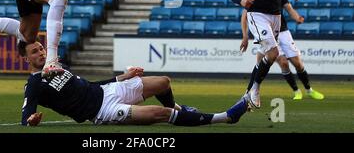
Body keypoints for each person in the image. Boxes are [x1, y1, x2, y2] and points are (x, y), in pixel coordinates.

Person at [19, 40, 250, 127]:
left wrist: (122, 77)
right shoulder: (34, 84)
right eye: (35, 51)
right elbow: (25, 117)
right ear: (26, 58)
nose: (41, 52)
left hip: (106, 90)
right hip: (102, 111)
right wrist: (32, 120)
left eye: (41, 48)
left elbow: (89, 84)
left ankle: (182, 109)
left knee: (163, 82)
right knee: (161, 113)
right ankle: (225, 117)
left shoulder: (57, 67)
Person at [226, 0, 301, 109]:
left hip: (275, 14)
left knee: (268, 56)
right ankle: (256, 89)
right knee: (274, 53)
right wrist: (241, 0)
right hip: (257, 15)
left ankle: (248, 92)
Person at [240, 0, 324, 100]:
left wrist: (297, 18)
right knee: (282, 62)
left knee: (298, 64)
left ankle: (309, 90)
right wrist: (245, 36)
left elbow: (289, 8)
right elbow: (244, 16)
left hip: (283, 32)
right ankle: (296, 91)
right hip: (267, 33)